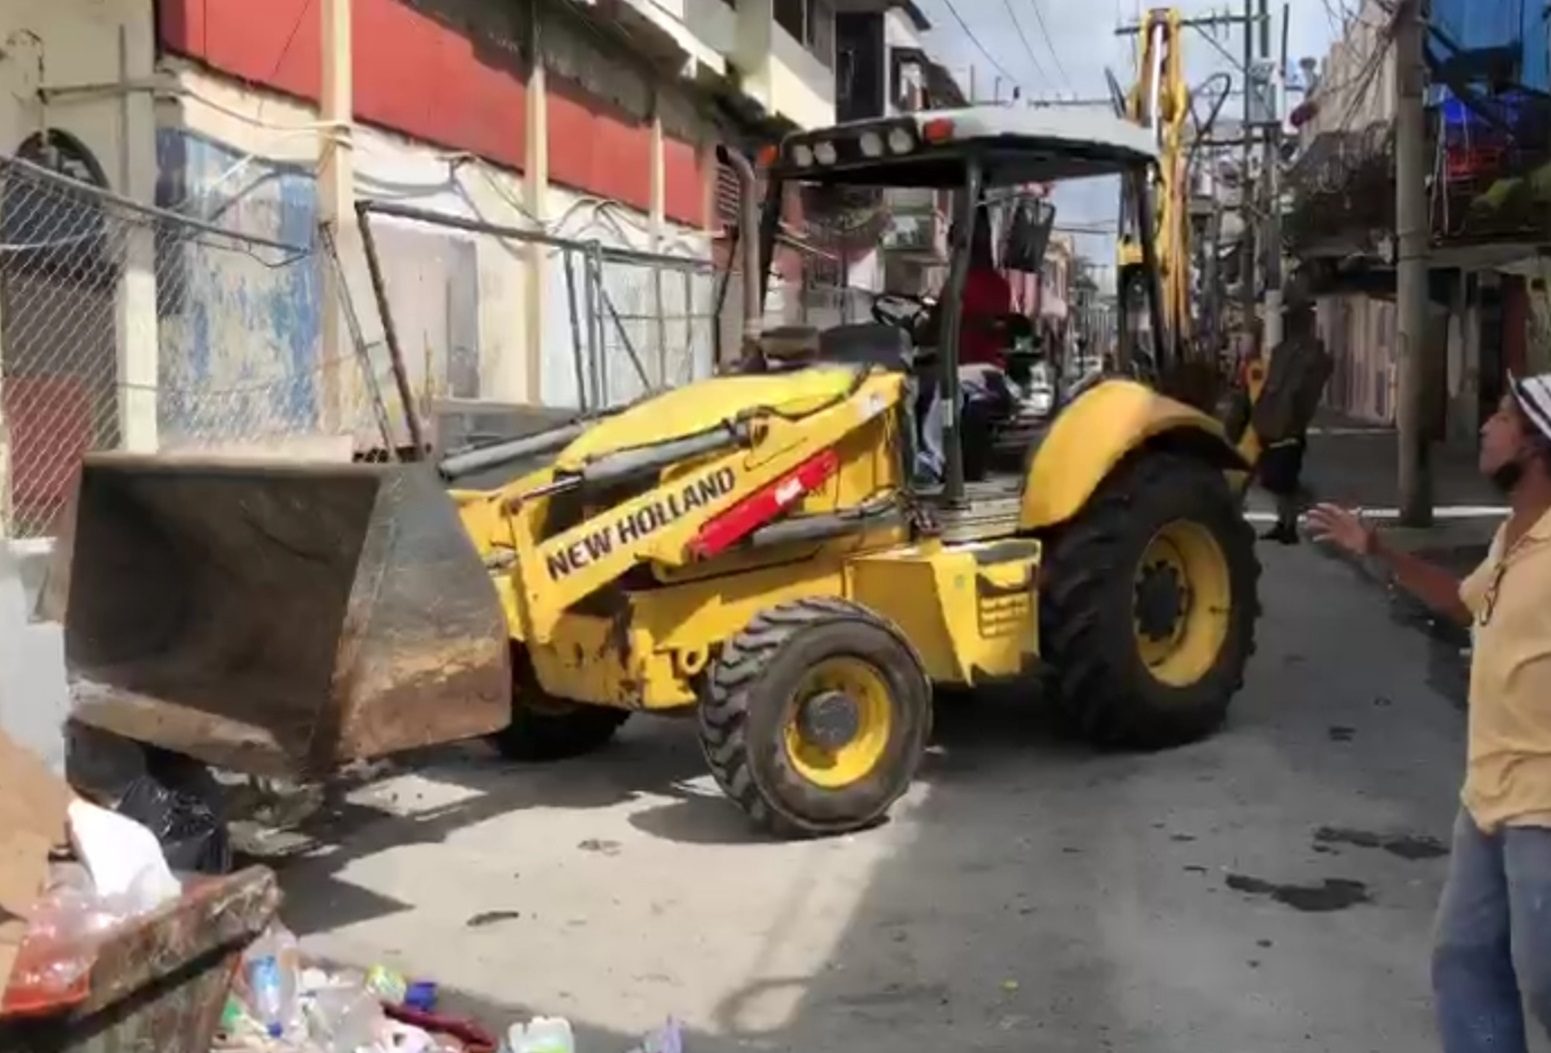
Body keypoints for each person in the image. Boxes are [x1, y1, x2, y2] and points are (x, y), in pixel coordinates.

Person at [1308, 374, 1551, 1053]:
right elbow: (1463, 600)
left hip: (1543, 809)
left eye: (1501, 417)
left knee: (1544, 980)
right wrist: (1378, 550)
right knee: (1465, 961)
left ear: (1534, 446)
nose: (1483, 426)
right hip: (1486, 800)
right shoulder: (1514, 535)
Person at [1253, 294, 1332, 545]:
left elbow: (1302, 390)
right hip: (1272, 423)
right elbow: (1271, 386)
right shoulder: (1282, 351)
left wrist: (1293, 417)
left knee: (1284, 480)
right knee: (1273, 479)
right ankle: (1284, 523)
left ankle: (1295, 519)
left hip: (1290, 426)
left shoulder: (1311, 353)